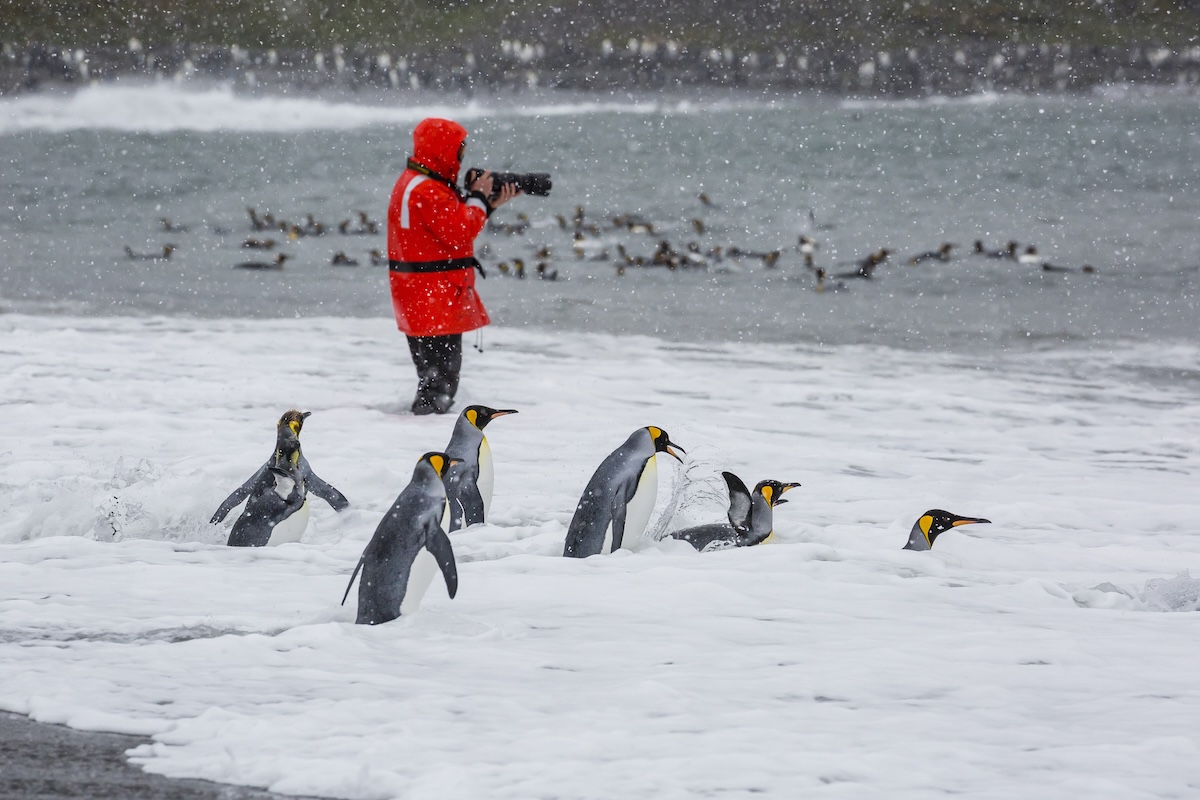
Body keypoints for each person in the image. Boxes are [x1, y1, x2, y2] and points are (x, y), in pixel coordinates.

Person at [386, 117, 520, 415]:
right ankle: (427, 436)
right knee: (440, 384)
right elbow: (460, 231)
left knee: (432, 378)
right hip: (433, 296)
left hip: (420, 295)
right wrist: (478, 200)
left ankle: (414, 430)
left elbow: (450, 228)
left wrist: (486, 204)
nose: (461, 157)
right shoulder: (427, 189)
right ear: (442, 150)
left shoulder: (418, 182)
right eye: (459, 150)